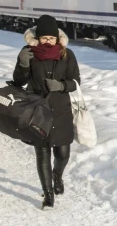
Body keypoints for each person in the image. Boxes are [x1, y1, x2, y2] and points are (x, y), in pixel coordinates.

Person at [13, 14, 81, 209]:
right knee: (42, 153)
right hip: (37, 110)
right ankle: (48, 195)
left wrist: (61, 86)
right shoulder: (28, 53)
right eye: (44, 38)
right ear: (38, 38)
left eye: (52, 38)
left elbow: (76, 82)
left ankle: (57, 175)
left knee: (63, 154)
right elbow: (18, 82)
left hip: (61, 110)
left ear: (57, 38)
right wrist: (23, 64)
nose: (48, 41)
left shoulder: (67, 54)